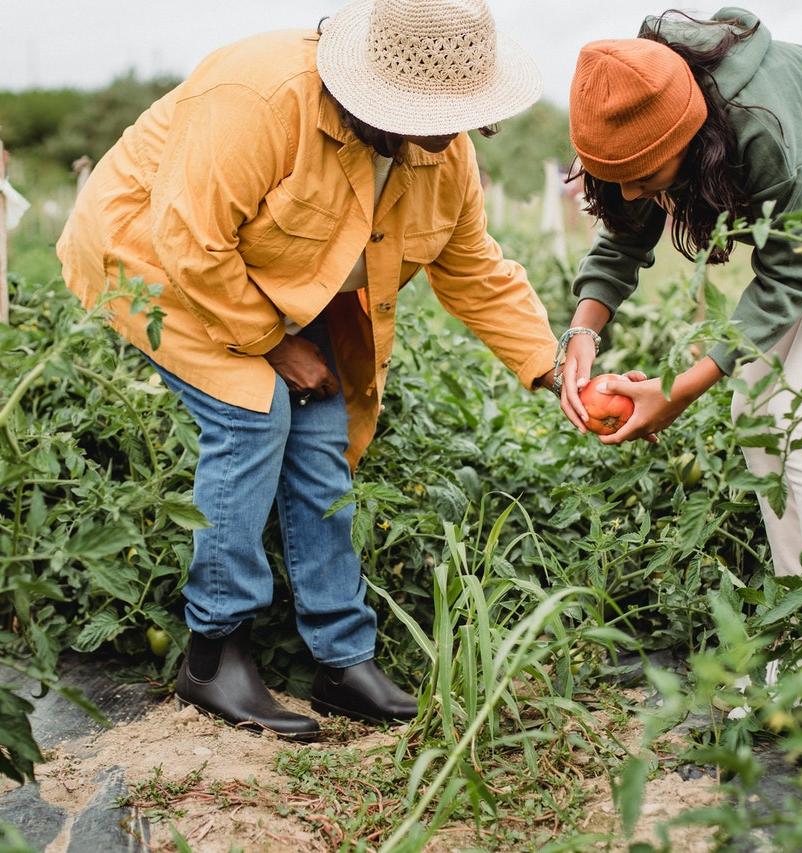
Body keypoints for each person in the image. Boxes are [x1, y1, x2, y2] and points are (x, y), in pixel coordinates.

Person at [57, 0, 561, 739]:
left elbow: (474, 269)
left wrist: (553, 370)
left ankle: (342, 658)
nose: (453, 132)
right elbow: (189, 242)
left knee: (322, 433)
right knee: (253, 411)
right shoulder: (260, 98)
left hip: (274, 278)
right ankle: (213, 650)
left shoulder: (440, 150)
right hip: (151, 260)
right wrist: (274, 343)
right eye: (437, 113)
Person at [560, 8, 802, 583]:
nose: (629, 191)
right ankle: (800, 629)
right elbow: (623, 238)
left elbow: (789, 276)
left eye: (645, 176)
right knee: (755, 415)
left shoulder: (762, 126)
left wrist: (677, 392)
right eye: (614, 174)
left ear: (694, 140)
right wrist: (582, 332)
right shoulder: (640, 99)